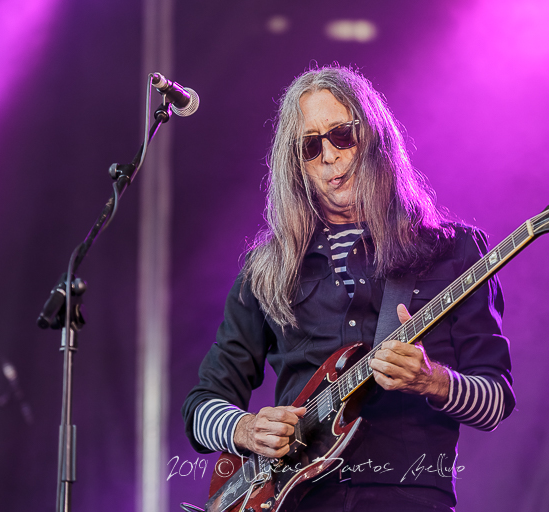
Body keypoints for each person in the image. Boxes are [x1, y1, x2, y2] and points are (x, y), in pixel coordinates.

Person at [182, 66, 515, 512]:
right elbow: (201, 407)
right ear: (296, 164)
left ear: (375, 138)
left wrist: (431, 380)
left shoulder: (452, 251)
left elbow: (496, 403)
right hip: (298, 503)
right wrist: (245, 430)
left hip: (407, 498)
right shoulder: (266, 269)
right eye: (310, 145)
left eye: (342, 135)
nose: (328, 155)